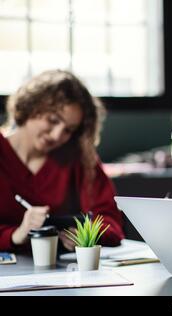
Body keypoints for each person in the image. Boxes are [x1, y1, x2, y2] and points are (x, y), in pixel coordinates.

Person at [0, 70, 125, 252]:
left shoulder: (78, 158)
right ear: (30, 106)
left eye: (69, 130)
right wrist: (15, 234)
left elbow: (111, 222)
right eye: (52, 120)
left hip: (63, 273)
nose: (57, 135)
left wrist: (83, 234)